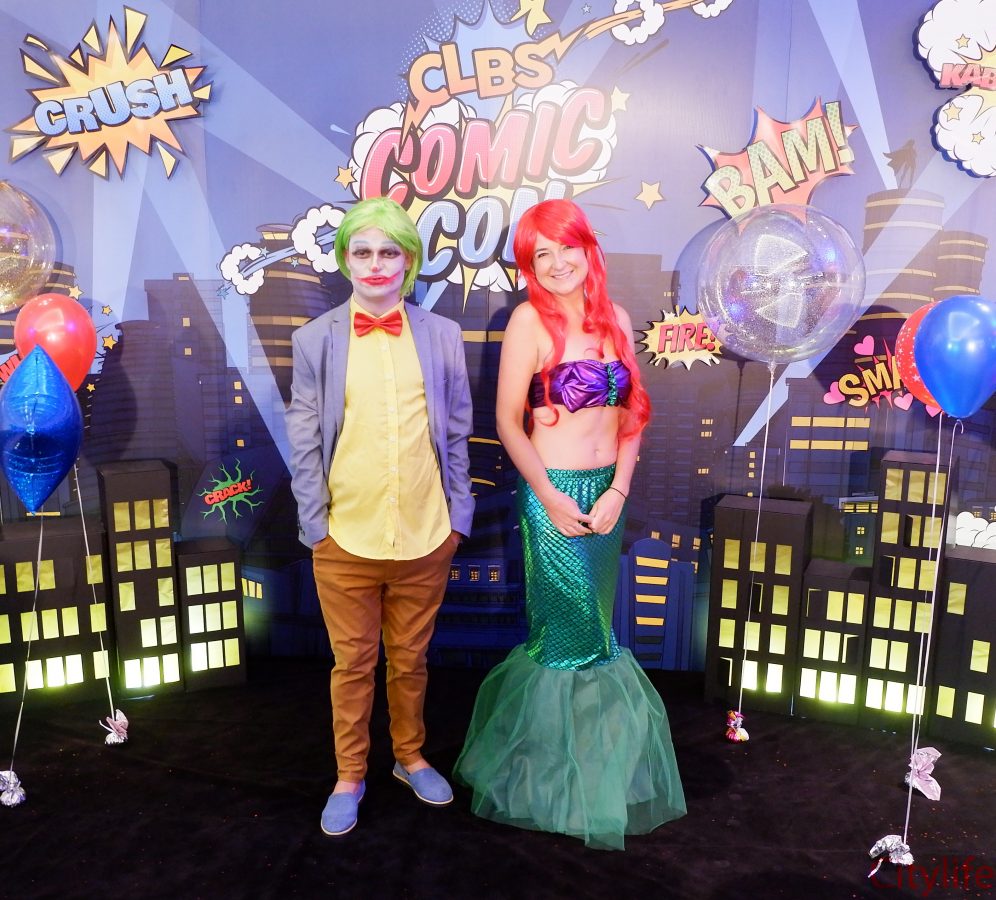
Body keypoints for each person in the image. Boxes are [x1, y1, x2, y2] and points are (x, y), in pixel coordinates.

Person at [453, 198, 685, 850]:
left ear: (589, 249)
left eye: (566, 248)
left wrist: (619, 490)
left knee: (596, 634)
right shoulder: (528, 321)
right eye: (541, 255)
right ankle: (553, 785)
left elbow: (633, 416)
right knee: (567, 641)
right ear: (529, 266)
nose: (556, 264)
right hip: (551, 499)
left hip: (607, 498)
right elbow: (507, 423)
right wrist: (550, 497)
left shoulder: (617, 319)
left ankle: (593, 775)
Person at [286, 196, 474, 837]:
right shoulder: (315, 340)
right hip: (345, 537)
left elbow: (457, 432)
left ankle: (410, 756)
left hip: (427, 534)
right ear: (344, 259)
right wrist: (317, 526)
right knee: (352, 666)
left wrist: (457, 518)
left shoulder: (442, 335)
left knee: (411, 661)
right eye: (362, 251)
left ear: (408, 261)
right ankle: (349, 774)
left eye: (388, 251)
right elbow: (304, 438)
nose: (375, 264)